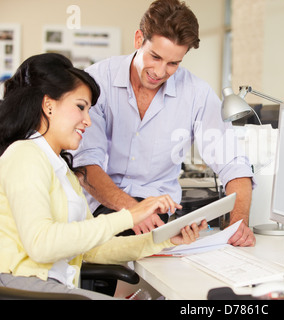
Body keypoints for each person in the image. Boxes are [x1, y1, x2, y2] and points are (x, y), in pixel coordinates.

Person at [0, 53, 207, 300]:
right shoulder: (24, 154)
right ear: (49, 105)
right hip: (23, 288)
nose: (87, 121)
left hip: (56, 289)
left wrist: (163, 240)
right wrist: (129, 216)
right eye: (80, 107)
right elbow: (41, 244)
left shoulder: (63, 169)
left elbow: (93, 249)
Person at [72, 0, 255, 246]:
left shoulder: (196, 93)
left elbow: (234, 163)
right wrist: (132, 212)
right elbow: (86, 165)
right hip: (99, 207)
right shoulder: (97, 82)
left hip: (160, 215)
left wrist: (239, 223)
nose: (159, 72)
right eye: (155, 57)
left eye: (173, 64)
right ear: (138, 40)